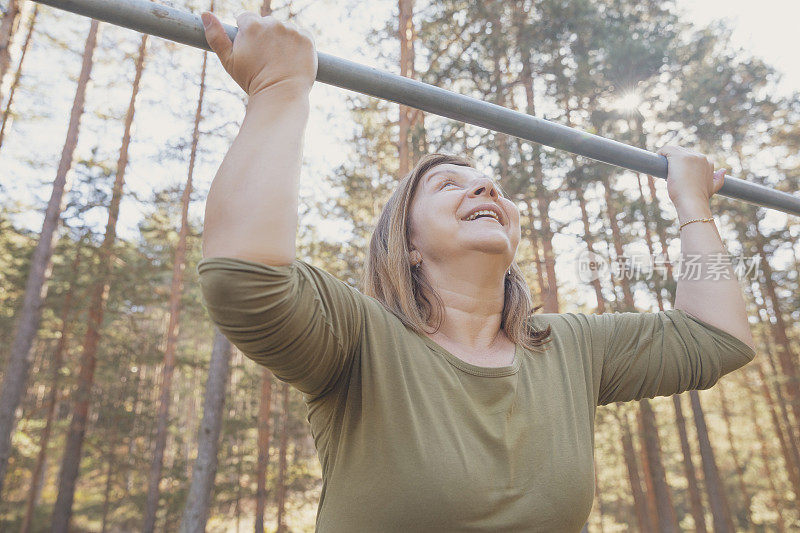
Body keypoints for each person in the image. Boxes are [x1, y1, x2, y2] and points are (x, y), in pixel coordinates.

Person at [197, 11, 756, 533]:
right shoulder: (360, 338)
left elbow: (716, 337)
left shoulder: (569, 349)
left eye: (492, 186)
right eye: (449, 185)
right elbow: (243, 277)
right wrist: (279, 88)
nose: (485, 188)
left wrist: (692, 203)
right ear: (407, 244)